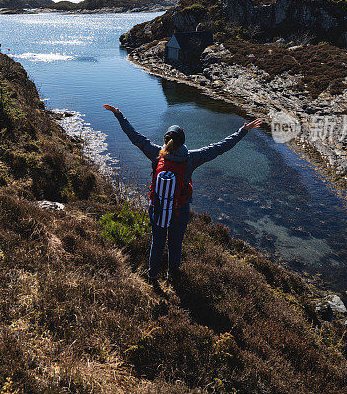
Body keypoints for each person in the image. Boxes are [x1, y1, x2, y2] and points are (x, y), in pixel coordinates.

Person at [103, 103, 262, 284]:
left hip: (157, 207)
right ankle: (173, 279)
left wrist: (118, 115)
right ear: (183, 142)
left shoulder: (156, 153)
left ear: (165, 140)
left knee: (157, 243)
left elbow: (135, 137)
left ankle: (152, 277)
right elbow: (220, 147)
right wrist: (243, 130)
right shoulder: (191, 158)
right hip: (180, 210)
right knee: (175, 246)